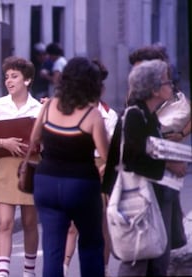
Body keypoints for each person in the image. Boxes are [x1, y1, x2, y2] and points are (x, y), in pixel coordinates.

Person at [21, 57, 109, 277]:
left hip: (46, 182)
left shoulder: (49, 106)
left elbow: (35, 138)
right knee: (91, 244)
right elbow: (107, 155)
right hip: (81, 186)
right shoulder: (92, 115)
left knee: (52, 249)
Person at [102, 59, 187, 276]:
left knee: (156, 258)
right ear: (154, 88)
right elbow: (130, 158)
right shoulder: (134, 115)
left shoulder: (147, 114)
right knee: (139, 258)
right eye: (168, 82)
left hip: (154, 195)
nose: (172, 87)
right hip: (139, 199)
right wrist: (169, 163)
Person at [0, 56, 41, 277]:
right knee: (4, 223)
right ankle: (3, 273)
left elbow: (50, 138)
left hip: (31, 167)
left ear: (28, 80)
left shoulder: (39, 107)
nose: (9, 81)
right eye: (7, 77)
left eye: (15, 76)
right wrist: (3, 142)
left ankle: (29, 271)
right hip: (4, 168)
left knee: (30, 222)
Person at [62, 59, 118, 277]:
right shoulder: (71, 109)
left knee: (101, 224)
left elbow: (112, 152)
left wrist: (102, 170)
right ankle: (64, 267)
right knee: (72, 224)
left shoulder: (108, 114)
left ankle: (102, 269)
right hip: (76, 165)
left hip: (100, 168)